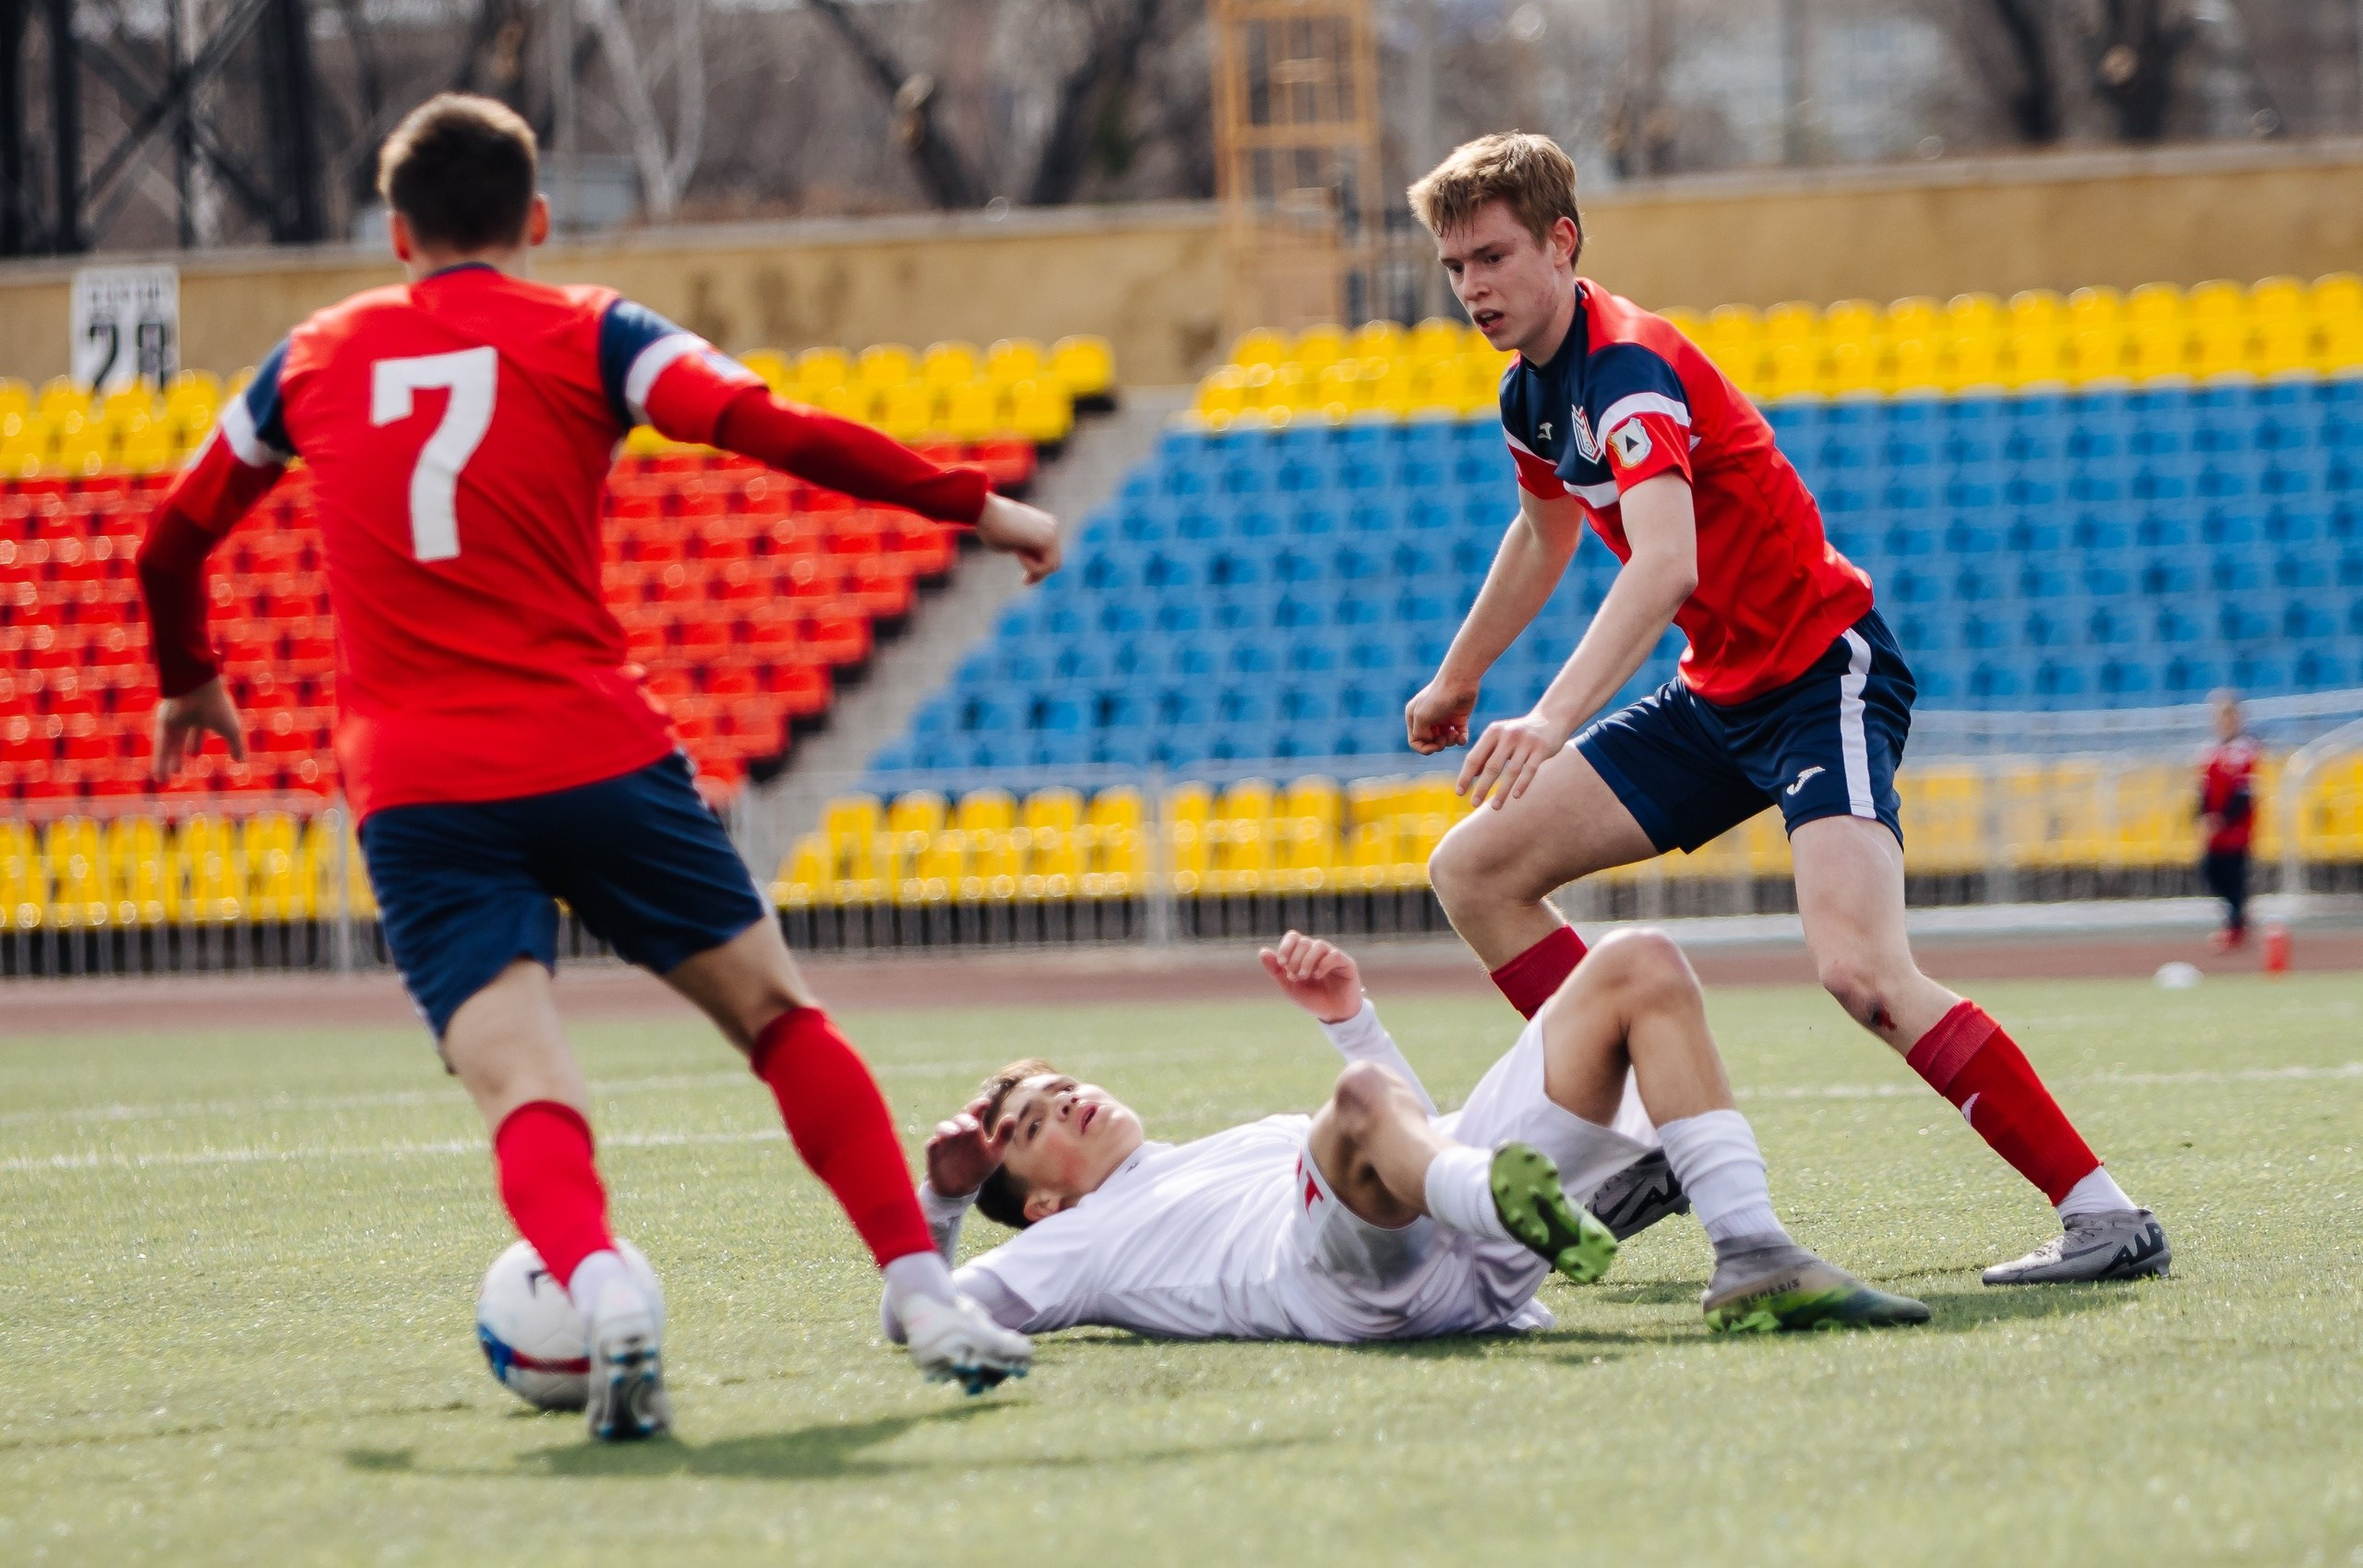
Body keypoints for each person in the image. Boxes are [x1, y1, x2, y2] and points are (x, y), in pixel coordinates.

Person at [135, 94, 1048, 1441]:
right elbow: (772, 425)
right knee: (778, 1015)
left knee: (522, 1079)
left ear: (396, 232)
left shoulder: (309, 358)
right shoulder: (592, 328)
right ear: (537, 218)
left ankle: (606, 1279)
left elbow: (166, 539)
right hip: (595, 748)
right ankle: (920, 1289)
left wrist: (187, 673)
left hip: (420, 783)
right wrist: (971, 499)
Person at [1396, 132, 2169, 1287]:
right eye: (1455, 267)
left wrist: (1547, 716)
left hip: (1822, 675)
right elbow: (1544, 531)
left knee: (1860, 972)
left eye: (1493, 258)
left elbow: (1660, 563)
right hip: (1716, 695)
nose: (1473, 289)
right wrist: (1459, 676)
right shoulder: (1529, 393)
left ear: (1562, 243)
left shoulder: (1628, 367)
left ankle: (2107, 1217)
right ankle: (1648, 1147)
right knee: (1474, 871)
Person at [896, 929, 1927, 1345]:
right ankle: (1516, 1213)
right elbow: (919, 1321)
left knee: (1639, 962)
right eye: (1030, 1127)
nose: (1066, 1102)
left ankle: (1749, 1254)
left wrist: (1350, 1015)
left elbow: (1417, 1140)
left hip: (1446, 1226)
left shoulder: (1236, 1141)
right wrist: (943, 1206)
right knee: (1352, 1108)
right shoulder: (1062, 1249)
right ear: (1037, 1203)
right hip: (1348, 1288)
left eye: (1059, 1087)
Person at [2197, 691, 2258, 953]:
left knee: (2234, 875)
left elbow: (2245, 793)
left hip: (2236, 829)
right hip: (2215, 830)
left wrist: (2223, 819)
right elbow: (2204, 790)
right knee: (2211, 871)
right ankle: (2236, 920)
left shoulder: (2245, 751)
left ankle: (2236, 926)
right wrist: (2202, 818)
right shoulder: (2209, 753)